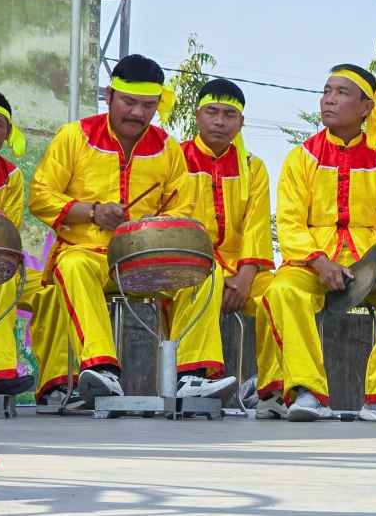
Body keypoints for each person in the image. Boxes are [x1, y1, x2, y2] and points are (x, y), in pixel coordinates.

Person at [28, 54, 235, 406]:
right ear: (109, 96)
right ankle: (102, 371)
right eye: (129, 102)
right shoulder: (74, 137)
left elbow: (181, 208)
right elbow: (39, 196)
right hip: (89, 254)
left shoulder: (168, 148)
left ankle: (191, 376)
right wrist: (91, 212)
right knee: (72, 265)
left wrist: (149, 229)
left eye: (147, 105)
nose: (137, 113)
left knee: (206, 274)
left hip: (146, 260)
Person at [263, 64, 376, 422]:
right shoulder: (300, 158)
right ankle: (308, 393)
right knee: (281, 291)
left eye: (341, 93)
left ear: (366, 107)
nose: (329, 100)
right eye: (327, 91)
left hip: (373, 270)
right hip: (312, 266)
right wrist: (320, 262)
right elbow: (290, 223)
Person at [164, 78, 283, 416]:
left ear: (241, 122)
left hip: (242, 270)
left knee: (280, 293)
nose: (220, 121)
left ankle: (273, 391)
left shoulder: (252, 167)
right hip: (188, 264)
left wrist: (245, 278)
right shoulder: (175, 158)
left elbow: (257, 226)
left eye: (229, 114)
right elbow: (177, 223)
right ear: (197, 115)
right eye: (212, 112)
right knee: (204, 274)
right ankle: (190, 376)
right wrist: (216, 268)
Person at [0, 90, 72, 405]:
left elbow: (7, 235)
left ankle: (55, 385)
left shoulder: (11, 175)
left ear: (7, 133)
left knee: (54, 287)